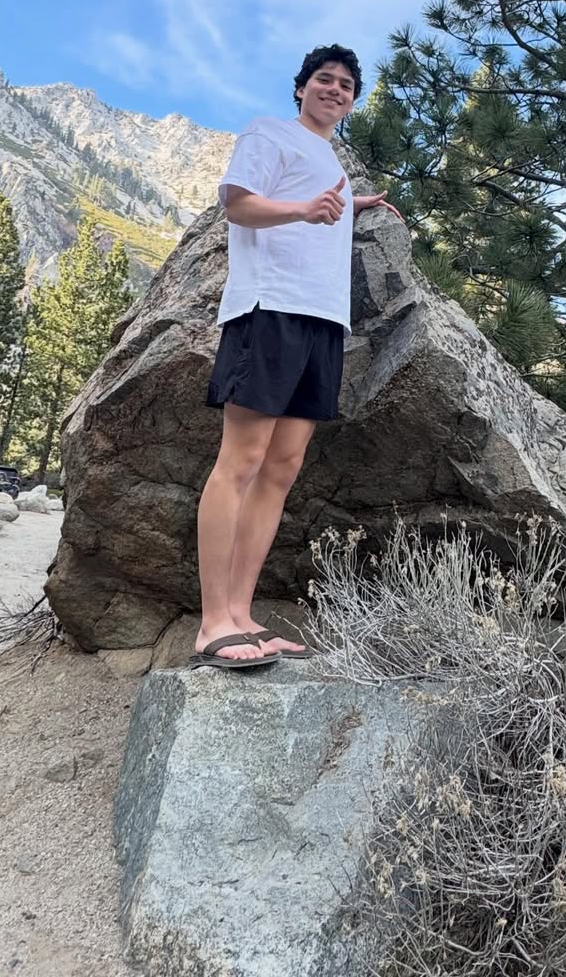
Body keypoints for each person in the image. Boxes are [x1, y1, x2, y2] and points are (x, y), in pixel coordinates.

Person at [191, 44, 399, 669]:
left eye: (346, 85)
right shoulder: (269, 132)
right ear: (302, 87)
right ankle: (211, 623)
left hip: (324, 321)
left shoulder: (329, 159)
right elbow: (239, 204)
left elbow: (315, 206)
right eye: (323, 79)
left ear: (353, 101)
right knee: (242, 459)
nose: (335, 89)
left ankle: (242, 615)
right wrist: (307, 209)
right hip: (269, 310)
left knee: (282, 468)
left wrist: (348, 207)